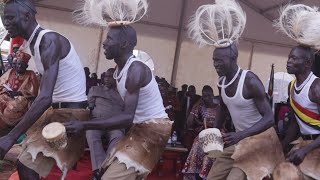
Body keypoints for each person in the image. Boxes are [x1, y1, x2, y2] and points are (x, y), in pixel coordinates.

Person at [66, 1, 172, 178]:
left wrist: (84, 124)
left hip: (153, 131)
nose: (104, 43)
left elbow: (126, 117)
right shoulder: (118, 71)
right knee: (105, 170)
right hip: (139, 129)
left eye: (109, 39)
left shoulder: (135, 70)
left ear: (123, 44)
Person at [188, 1, 284, 179]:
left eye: (220, 61)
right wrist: (214, 134)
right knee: (212, 176)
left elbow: (270, 118)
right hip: (241, 140)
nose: (216, 65)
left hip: (262, 140)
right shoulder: (222, 81)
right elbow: (224, 108)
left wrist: (240, 134)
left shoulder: (250, 81)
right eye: (214, 61)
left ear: (233, 58)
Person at [0, 0, 88, 179]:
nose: (5, 23)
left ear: (27, 16)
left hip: (70, 114)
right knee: (24, 161)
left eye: (10, 17)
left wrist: (11, 136)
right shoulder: (35, 43)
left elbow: (45, 96)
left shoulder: (48, 41)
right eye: (4, 18)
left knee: (26, 164)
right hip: (56, 110)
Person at [274, 4, 320, 179]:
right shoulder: (292, 86)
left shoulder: (316, 88)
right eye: (288, 58)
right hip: (304, 143)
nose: (288, 62)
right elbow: (295, 122)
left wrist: (306, 149)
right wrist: (282, 144)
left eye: (294, 59)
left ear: (307, 63)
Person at [86, 68, 125, 180]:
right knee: (91, 133)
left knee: (118, 137)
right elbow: (89, 107)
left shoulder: (123, 94)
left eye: (110, 77)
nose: (106, 79)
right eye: (105, 76)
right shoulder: (95, 89)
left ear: (116, 79)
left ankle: (103, 169)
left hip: (115, 125)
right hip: (97, 122)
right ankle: (100, 169)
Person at [183, 85, 218, 180]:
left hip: (217, 132)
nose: (208, 98)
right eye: (205, 96)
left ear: (213, 95)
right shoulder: (200, 107)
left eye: (209, 96)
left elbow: (221, 123)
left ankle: (209, 175)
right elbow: (189, 123)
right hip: (204, 132)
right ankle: (196, 173)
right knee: (197, 145)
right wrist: (196, 105)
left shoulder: (218, 107)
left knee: (212, 149)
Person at [0, 51, 39, 136]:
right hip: (8, 95)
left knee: (11, 109)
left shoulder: (31, 74)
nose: (19, 66)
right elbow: (1, 83)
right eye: (18, 64)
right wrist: (5, 90)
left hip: (22, 98)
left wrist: (18, 93)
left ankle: (6, 128)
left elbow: (33, 93)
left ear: (26, 66)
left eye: (22, 65)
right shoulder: (11, 71)